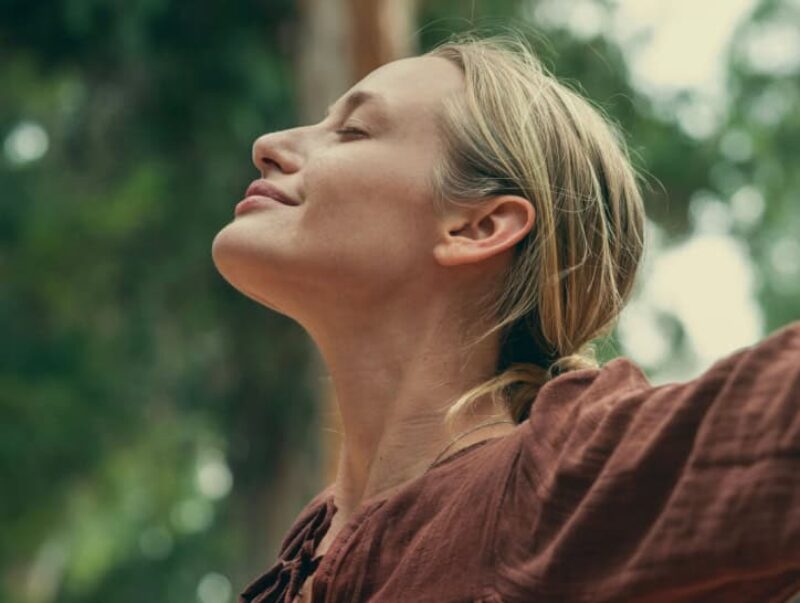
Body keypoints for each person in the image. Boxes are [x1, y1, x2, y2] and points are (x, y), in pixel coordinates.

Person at [212, 34, 800, 603]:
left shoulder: (558, 483)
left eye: (353, 131)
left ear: (479, 227)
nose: (269, 144)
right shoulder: (307, 548)